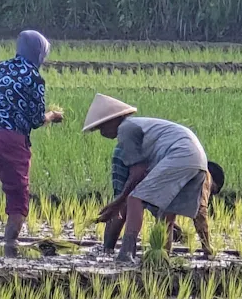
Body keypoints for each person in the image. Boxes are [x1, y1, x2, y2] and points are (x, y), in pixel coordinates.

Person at [0, 30, 64, 257]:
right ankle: (9, 254)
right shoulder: (35, 78)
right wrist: (52, 115)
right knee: (17, 197)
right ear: (38, 53)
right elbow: (35, 119)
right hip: (10, 140)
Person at [82, 94, 210, 262]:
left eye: (102, 127)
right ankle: (163, 256)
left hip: (180, 153)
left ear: (114, 120)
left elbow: (138, 172)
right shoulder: (139, 125)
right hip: (198, 158)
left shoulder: (125, 129)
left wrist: (117, 203)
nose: (102, 133)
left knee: (135, 198)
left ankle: (127, 252)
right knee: (168, 212)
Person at [102, 139, 223, 259]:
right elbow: (200, 213)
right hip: (137, 154)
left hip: (128, 149)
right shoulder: (203, 174)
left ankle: (107, 252)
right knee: (122, 205)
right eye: (211, 192)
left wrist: (175, 232)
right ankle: (117, 253)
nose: (208, 195)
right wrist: (207, 248)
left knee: (123, 202)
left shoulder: (179, 170)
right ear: (213, 184)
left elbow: (161, 212)